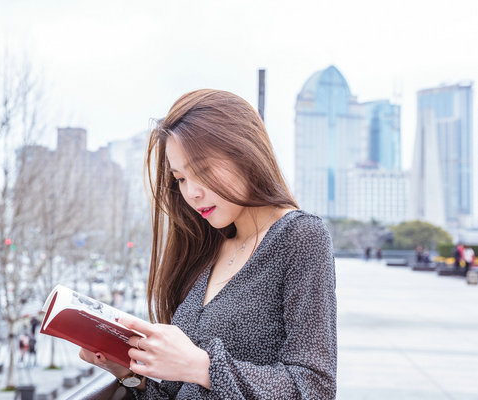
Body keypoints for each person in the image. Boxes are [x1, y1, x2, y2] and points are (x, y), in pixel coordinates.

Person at [79, 89, 337, 398]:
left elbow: (315, 387)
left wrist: (202, 366)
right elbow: (179, 391)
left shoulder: (300, 236)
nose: (192, 193)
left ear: (245, 153)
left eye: (202, 169)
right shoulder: (208, 246)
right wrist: (129, 372)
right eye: (181, 178)